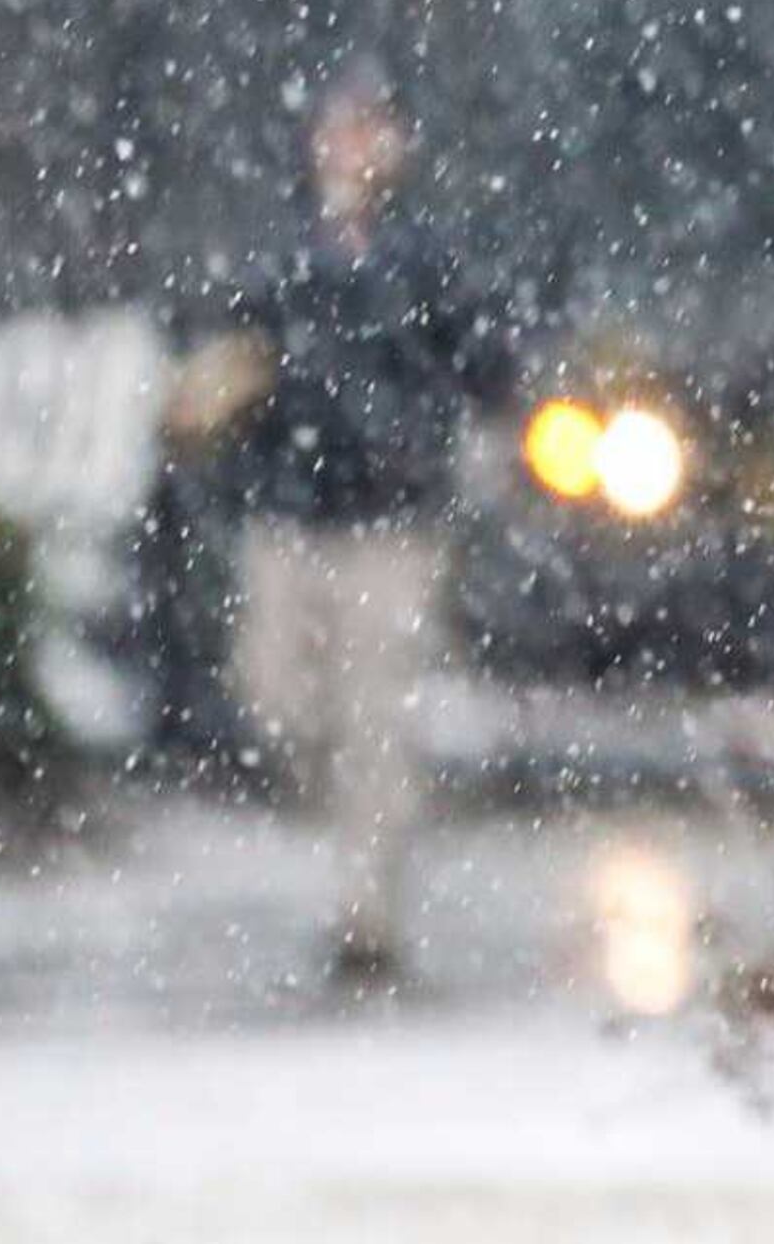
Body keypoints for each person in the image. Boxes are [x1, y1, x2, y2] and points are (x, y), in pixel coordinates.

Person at [200, 61, 526, 986]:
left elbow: (487, 364)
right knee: (275, 694)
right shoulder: (282, 251)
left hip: (391, 525)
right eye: (337, 127)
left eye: (367, 128)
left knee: (376, 715)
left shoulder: (427, 258)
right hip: (289, 516)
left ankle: (368, 913)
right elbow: (234, 355)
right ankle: (346, 803)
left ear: (396, 146)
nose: (349, 146)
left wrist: (473, 426)